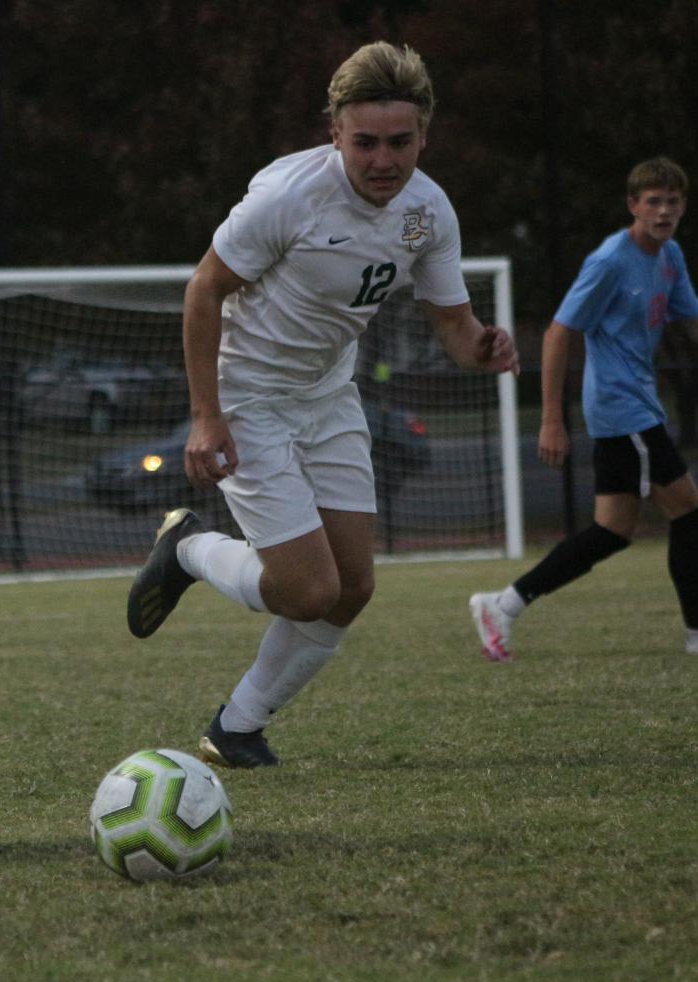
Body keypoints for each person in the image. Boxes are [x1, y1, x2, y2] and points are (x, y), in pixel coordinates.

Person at [126, 41, 519, 768]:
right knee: (307, 590)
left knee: (352, 587)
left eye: (399, 142)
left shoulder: (428, 211)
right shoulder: (288, 199)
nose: (382, 160)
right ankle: (185, 548)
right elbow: (202, 291)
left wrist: (482, 348)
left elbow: (453, 324)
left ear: (423, 135)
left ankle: (236, 725)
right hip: (248, 396)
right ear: (333, 131)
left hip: (328, 393)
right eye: (364, 141)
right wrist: (207, 414)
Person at [470, 158, 698, 660]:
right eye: (653, 201)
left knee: (612, 530)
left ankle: (503, 604)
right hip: (622, 407)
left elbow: (690, 320)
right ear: (633, 206)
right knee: (688, 509)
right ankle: (695, 633)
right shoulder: (611, 261)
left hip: (640, 404)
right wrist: (552, 418)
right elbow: (558, 333)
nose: (664, 211)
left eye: (673, 202)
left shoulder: (670, 256)